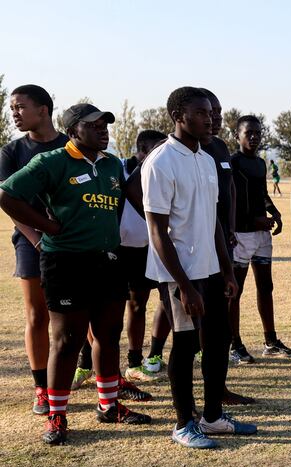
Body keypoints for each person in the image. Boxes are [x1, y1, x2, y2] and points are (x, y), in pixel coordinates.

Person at [0, 103, 153, 444]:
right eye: (93, 125)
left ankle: (109, 406)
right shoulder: (51, 161)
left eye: (105, 124)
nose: (103, 129)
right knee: (67, 340)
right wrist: (47, 227)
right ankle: (57, 415)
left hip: (108, 261)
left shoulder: (112, 163)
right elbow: (7, 195)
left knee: (108, 334)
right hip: (66, 263)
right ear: (73, 131)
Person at [143, 86, 256, 449]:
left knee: (219, 340)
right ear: (179, 116)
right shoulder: (160, 162)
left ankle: (212, 418)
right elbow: (157, 231)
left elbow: (214, 224)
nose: (210, 119)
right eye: (201, 113)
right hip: (178, 273)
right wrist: (184, 286)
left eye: (211, 112)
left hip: (209, 269)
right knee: (186, 343)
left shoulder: (206, 159)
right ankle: (182, 423)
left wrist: (226, 271)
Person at [0, 85, 67, 416]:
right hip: (32, 242)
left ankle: (103, 379)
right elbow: (11, 205)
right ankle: (41, 387)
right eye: (12, 107)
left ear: (44, 109)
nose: (14, 112)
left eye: (20, 106)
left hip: (73, 243)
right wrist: (39, 240)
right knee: (37, 315)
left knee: (78, 316)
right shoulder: (11, 152)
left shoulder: (71, 145)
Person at [197, 88, 252, 405]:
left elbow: (227, 188)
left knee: (219, 322)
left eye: (217, 112)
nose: (214, 118)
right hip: (193, 251)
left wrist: (229, 227)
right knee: (193, 327)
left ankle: (218, 389)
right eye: (208, 112)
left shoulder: (218, 147)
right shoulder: (176, 151)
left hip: (221, 243)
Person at [229, 115, 291, 362]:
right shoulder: (232, 163)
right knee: (234, 291)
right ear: (237, 135)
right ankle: (234, 344)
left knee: (266, 287)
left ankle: (270, 340)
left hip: (261, 234)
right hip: (241, 233)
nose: (254, 137)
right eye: (249, 133)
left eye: (258, 133)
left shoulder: (259, 163)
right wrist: (252, 220)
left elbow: (260, 193)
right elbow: (232, 201)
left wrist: (274, 212)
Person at [118, 130, 171, 382]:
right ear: (140, 150)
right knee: (119, 308)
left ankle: (144, 358)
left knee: (153, 302)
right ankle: (90, 363)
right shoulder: (119, 170)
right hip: (120, 250)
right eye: (152, 151)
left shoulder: (160, 172)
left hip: (150, 248)